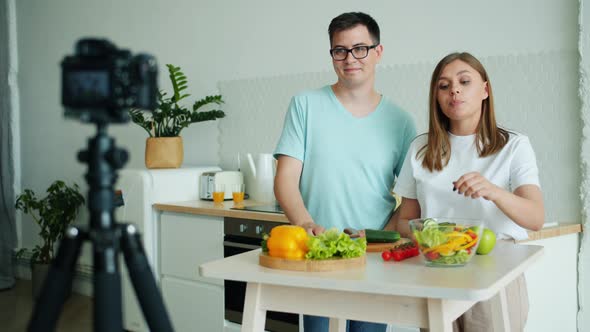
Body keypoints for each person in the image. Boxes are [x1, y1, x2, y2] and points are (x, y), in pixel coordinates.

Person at [273, 11, 416, 332]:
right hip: (318, 258)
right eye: (340, 50)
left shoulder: (402, 121)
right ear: (332, 54)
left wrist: (379, 239)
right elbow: (285, 180)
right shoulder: (304, 105)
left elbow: (411, 198)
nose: (350, 58)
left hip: (374, 263)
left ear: (378, 52)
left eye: (360, 48)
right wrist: (305, 223)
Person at [391, 52, 544, 331]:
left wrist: (494, 191)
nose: (455, 90)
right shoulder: (420, 149)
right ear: (436, 96)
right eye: (444, 85)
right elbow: (404, 221)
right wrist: (437, 239)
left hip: (495, 272)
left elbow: (535, 218)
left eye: (464, 81)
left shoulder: (514, 146)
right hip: (435, 274)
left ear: (485, 90)